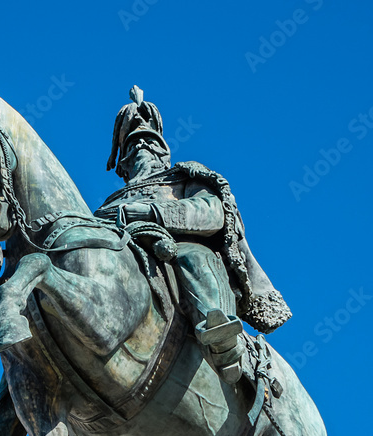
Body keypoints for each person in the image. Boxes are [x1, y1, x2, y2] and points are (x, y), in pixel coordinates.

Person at [94, 86, 291, 382]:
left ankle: (222, 339)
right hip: (121, 258)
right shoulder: (108, 204)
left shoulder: (184, 177)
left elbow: (212, 212)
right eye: (134, 147)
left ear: (164, 152)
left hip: (175, 251)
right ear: (122, 165)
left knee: (194, 257)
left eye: (149, 143)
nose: (142, 149)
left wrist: (150, 212)